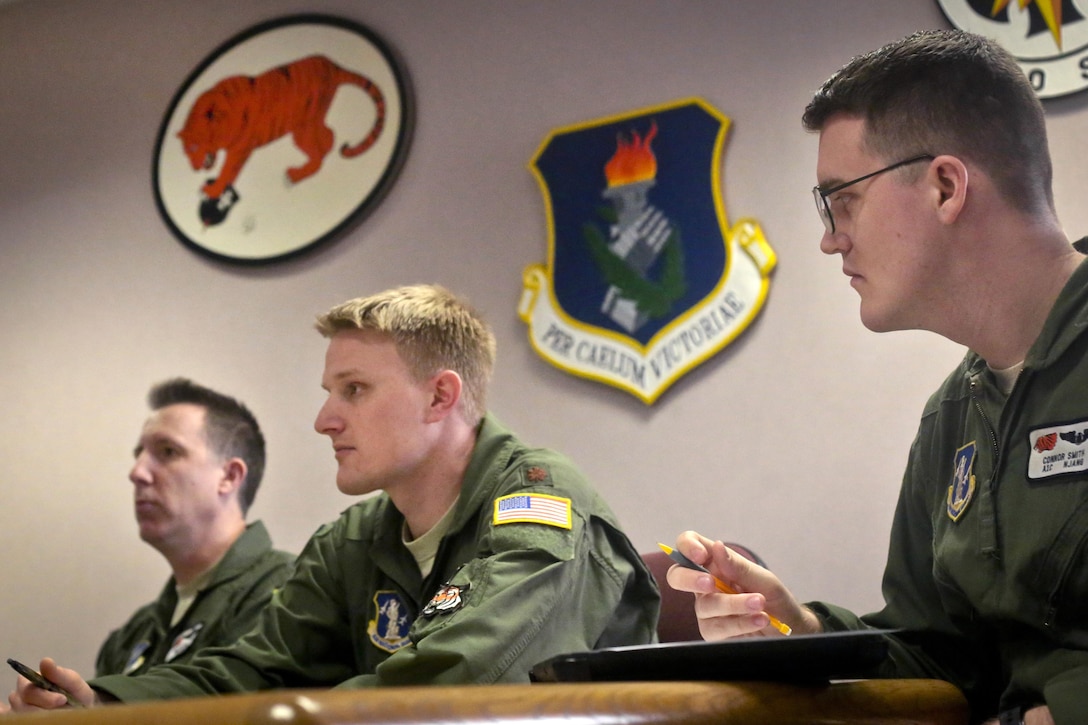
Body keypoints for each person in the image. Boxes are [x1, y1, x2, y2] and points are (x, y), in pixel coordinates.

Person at [667, 29, 1086, 725]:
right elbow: (947, 659)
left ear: (946, 186)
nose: (831, 236)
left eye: (843, 199)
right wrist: (799, 628)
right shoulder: (952, 416)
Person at [10, 284, 658, 710]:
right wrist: (103, 701)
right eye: (329, 391)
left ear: (440, 396)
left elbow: (454, 685)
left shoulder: (541, 504)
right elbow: (252, 669)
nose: (324, 419)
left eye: (353, 389)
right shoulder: (355, 537)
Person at [99, 378, 295, 677]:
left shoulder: (288, 595)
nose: (137, 472)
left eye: (167, 452)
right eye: (138, 454)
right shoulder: (132, 635)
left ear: (229, 476)